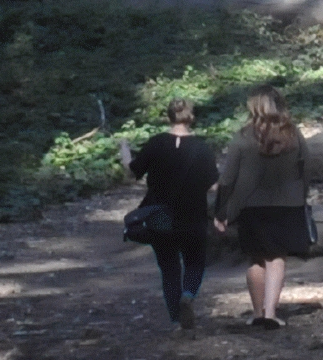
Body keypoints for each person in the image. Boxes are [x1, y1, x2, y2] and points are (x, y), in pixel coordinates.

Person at [216, 86, 311, 329]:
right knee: (277, 257)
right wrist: (302, 195)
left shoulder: (242, 136)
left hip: (249, 205)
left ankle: (257, 313)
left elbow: (227, 178)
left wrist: (222, 209)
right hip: (287, 204)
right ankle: (270, 314)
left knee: (255, 258)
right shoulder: (293, 135)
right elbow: (307, 167)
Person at [119, 98, 219, 331]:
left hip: (160, 214)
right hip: (193, 213)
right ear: (191, 117)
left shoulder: (155, 144)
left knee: (169, 268)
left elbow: (131, 172)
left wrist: (124, 150)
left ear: (168, 117)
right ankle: (189, 294)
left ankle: (176, 321)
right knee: (195, 262)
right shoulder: (202, 148)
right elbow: (213, 186)